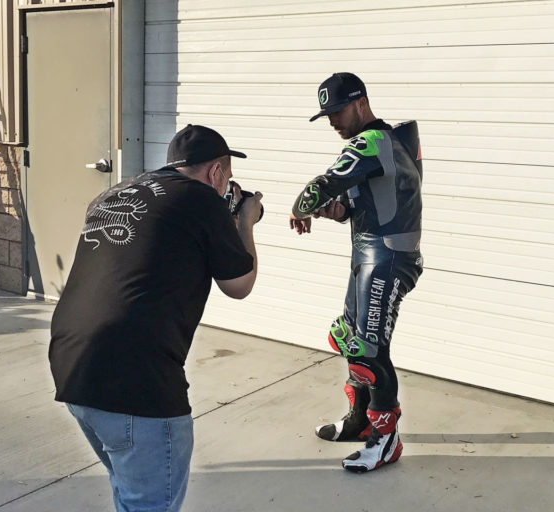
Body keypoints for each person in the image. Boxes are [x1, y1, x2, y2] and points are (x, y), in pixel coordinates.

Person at [49, 124, 263, 511]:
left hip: (72, 366)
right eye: (226, 176)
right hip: (135, 382)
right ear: (216, 172)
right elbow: (239, 284)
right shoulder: (202, 199)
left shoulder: (111, 194)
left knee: (130, 494)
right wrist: (244, 220)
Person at [289, 72, 424, 473]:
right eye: (326, 114)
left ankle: (385, 441)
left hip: (386, 258)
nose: (332, 120)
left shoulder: (370, 143)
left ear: (361, 102)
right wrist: (333, 210)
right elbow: (353, 205)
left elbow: (319, 186)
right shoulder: (382, 146)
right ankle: (360, 421)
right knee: (349, 338)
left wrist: (301, 207)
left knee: (368, 349)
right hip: (369, 256)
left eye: (337, 110)